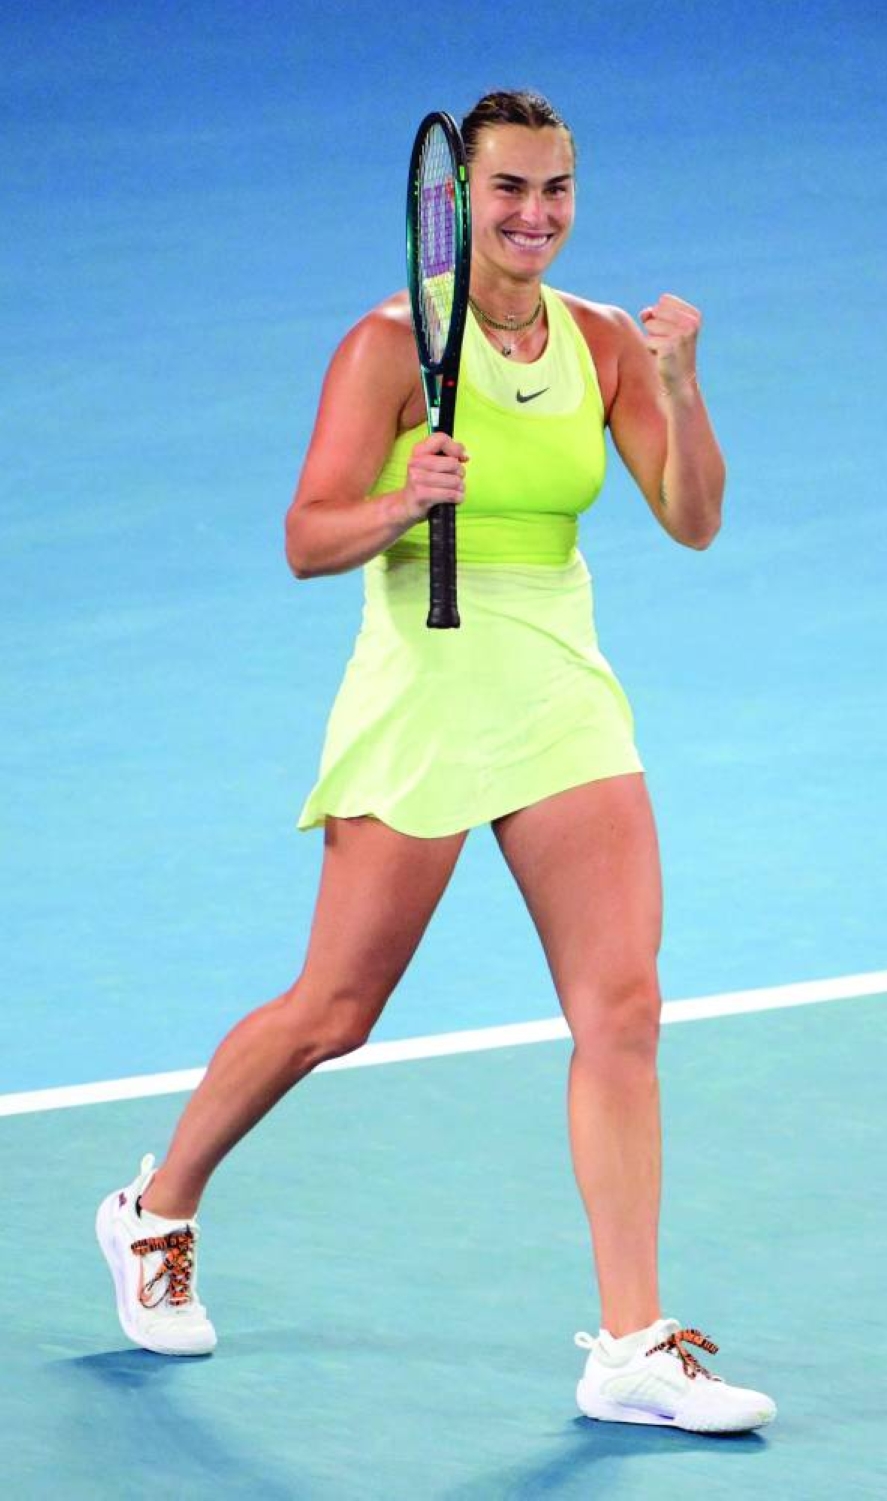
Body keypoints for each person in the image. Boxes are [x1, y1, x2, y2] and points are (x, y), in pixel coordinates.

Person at [96, 90, 775, 1435]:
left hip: (558, 689)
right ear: (457, 199)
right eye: (510, 190)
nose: (536, 216)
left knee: (623, 1006)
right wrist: (407, 497)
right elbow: (306, 536)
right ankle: (153, 1208)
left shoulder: (602, 346)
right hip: (422, 685)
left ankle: (631, 1341)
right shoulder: (388, 346)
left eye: (557, 191)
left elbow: (691, 518)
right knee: (333, 1010)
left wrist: (685, 389)